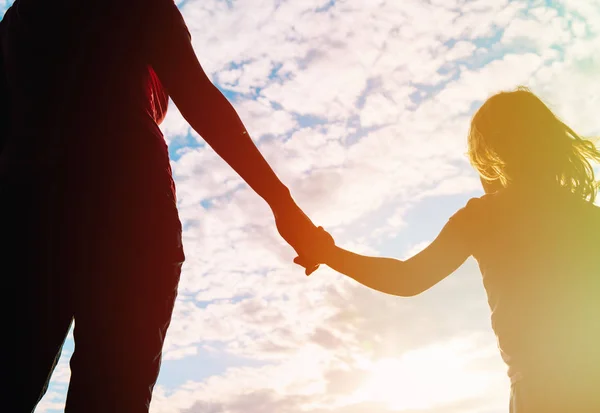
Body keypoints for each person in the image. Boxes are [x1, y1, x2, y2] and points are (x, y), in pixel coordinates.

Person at [0, 1, 326, 412]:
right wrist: (282, 203)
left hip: (29, 214)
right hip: (129, 215)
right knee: (113, 393)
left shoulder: (21, 19)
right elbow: (200, 98)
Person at [304, 87, 600, 412]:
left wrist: (329, 253)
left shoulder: (484, 216)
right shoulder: (590, 219)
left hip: (540, 393)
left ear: (492, 151)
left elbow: (407, 278)